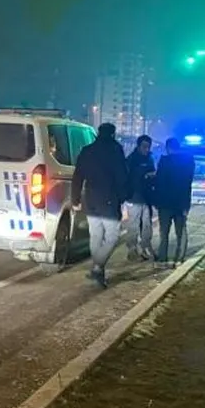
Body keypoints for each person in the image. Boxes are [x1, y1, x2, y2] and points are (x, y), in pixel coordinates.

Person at [70, 123, 129, 288]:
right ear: (113, 134)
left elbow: (77, 177)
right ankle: (98, 267)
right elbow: (122, 177)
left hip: (90, 200)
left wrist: (75, 199)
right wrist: (124, 198)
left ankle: (98, 271)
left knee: (96, 236)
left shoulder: (87, 150)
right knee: (112, 237)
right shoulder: (115, 150)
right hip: (110, 201)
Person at [153, 137, 195, 267]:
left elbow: (159, 182)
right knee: (181, 232)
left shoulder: (164, 161)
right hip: (181, 202)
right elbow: (188, 182)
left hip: (165, 203)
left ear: (168, 148)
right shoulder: (188, 161)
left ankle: (163, 259)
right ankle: (179, 258)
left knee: (164, 233)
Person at [124, 134, 157, 260]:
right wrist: (144, 176)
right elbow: (128, 178)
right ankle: (132, 250)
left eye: (148, 147)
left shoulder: (150, 159)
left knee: (147, 224)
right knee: (133, 224)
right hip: (134, 197)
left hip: (146, 197)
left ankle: (145, 247)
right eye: (144, 146)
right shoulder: (132, 160)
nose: (146, 149)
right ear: (138, 146)